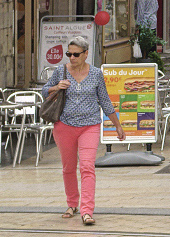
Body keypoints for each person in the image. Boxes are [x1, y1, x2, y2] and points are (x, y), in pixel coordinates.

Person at [42, 38, 125, 225]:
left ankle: (87, 210)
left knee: (87, 167)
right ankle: (72, 203)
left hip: (90, 126)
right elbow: (44, 91)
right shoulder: (60, 71)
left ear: (86, 54)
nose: (72, 57)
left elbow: (104, 100)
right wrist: (57, 87)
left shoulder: (96, 74)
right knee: (69, 167)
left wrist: (117, 125)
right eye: (69, 54)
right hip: (64, 126)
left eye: (76, 54)